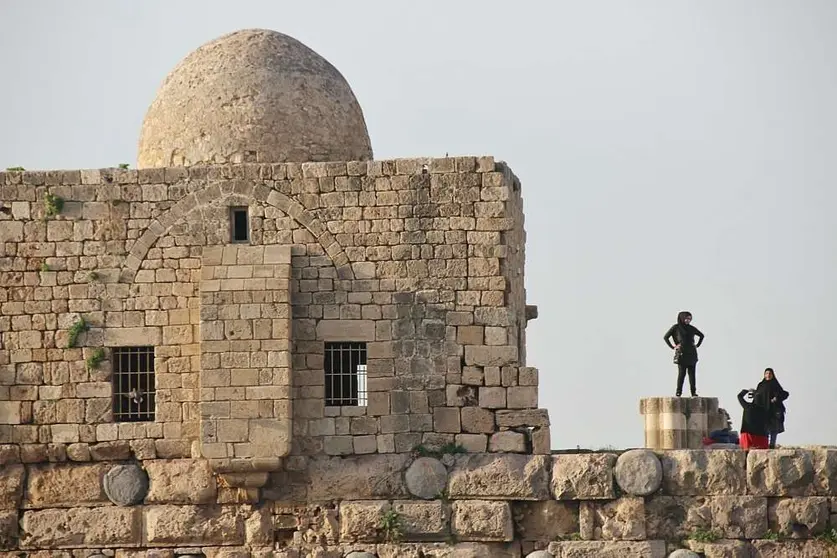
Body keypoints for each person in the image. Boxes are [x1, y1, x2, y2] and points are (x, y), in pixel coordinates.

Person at [663, 311, 705, 397]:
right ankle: (678, 392)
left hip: (692, 353)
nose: (688, 320)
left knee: (692, 375)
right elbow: (666, 337)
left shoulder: (692, 328)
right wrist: (673, 347)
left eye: (690, 319)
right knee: (682, 374)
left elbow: (701, 336)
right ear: (682, 318)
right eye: (686, 318)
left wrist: (697, 345)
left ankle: (693, 392)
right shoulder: (676, 327)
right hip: (682, 353)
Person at [755, 367, 789, 448]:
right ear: (764, 375)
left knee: (774, 429)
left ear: (773, 375)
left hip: (774, 410)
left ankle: (772, 445)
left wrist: (776, 398)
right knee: (764, 429)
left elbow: (785, 394)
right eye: (766, 373)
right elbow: (757, 396)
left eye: (770, 373)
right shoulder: (761, 385)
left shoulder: (775, 384)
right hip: (764, 410)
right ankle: (764, 444)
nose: (768, 375)